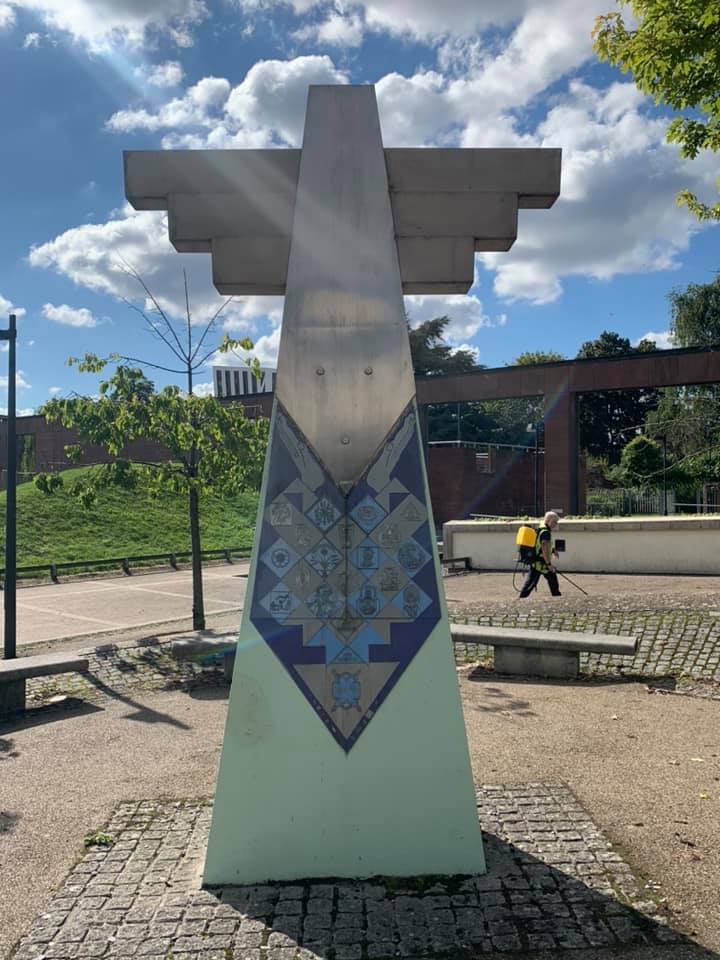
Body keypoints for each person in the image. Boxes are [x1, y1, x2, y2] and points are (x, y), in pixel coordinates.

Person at [518, 511, 561, 598]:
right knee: (531, 583)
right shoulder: (545, 532)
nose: (556, 524)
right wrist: (548, 564)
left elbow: (543, 545)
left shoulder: (542, 527)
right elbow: (544, 547)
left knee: (548, 580)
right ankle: (521, 599)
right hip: (541, 563)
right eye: (555, 522)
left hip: (539, 561)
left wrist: (553, 550)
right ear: (550, 521)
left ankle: (557, 597)